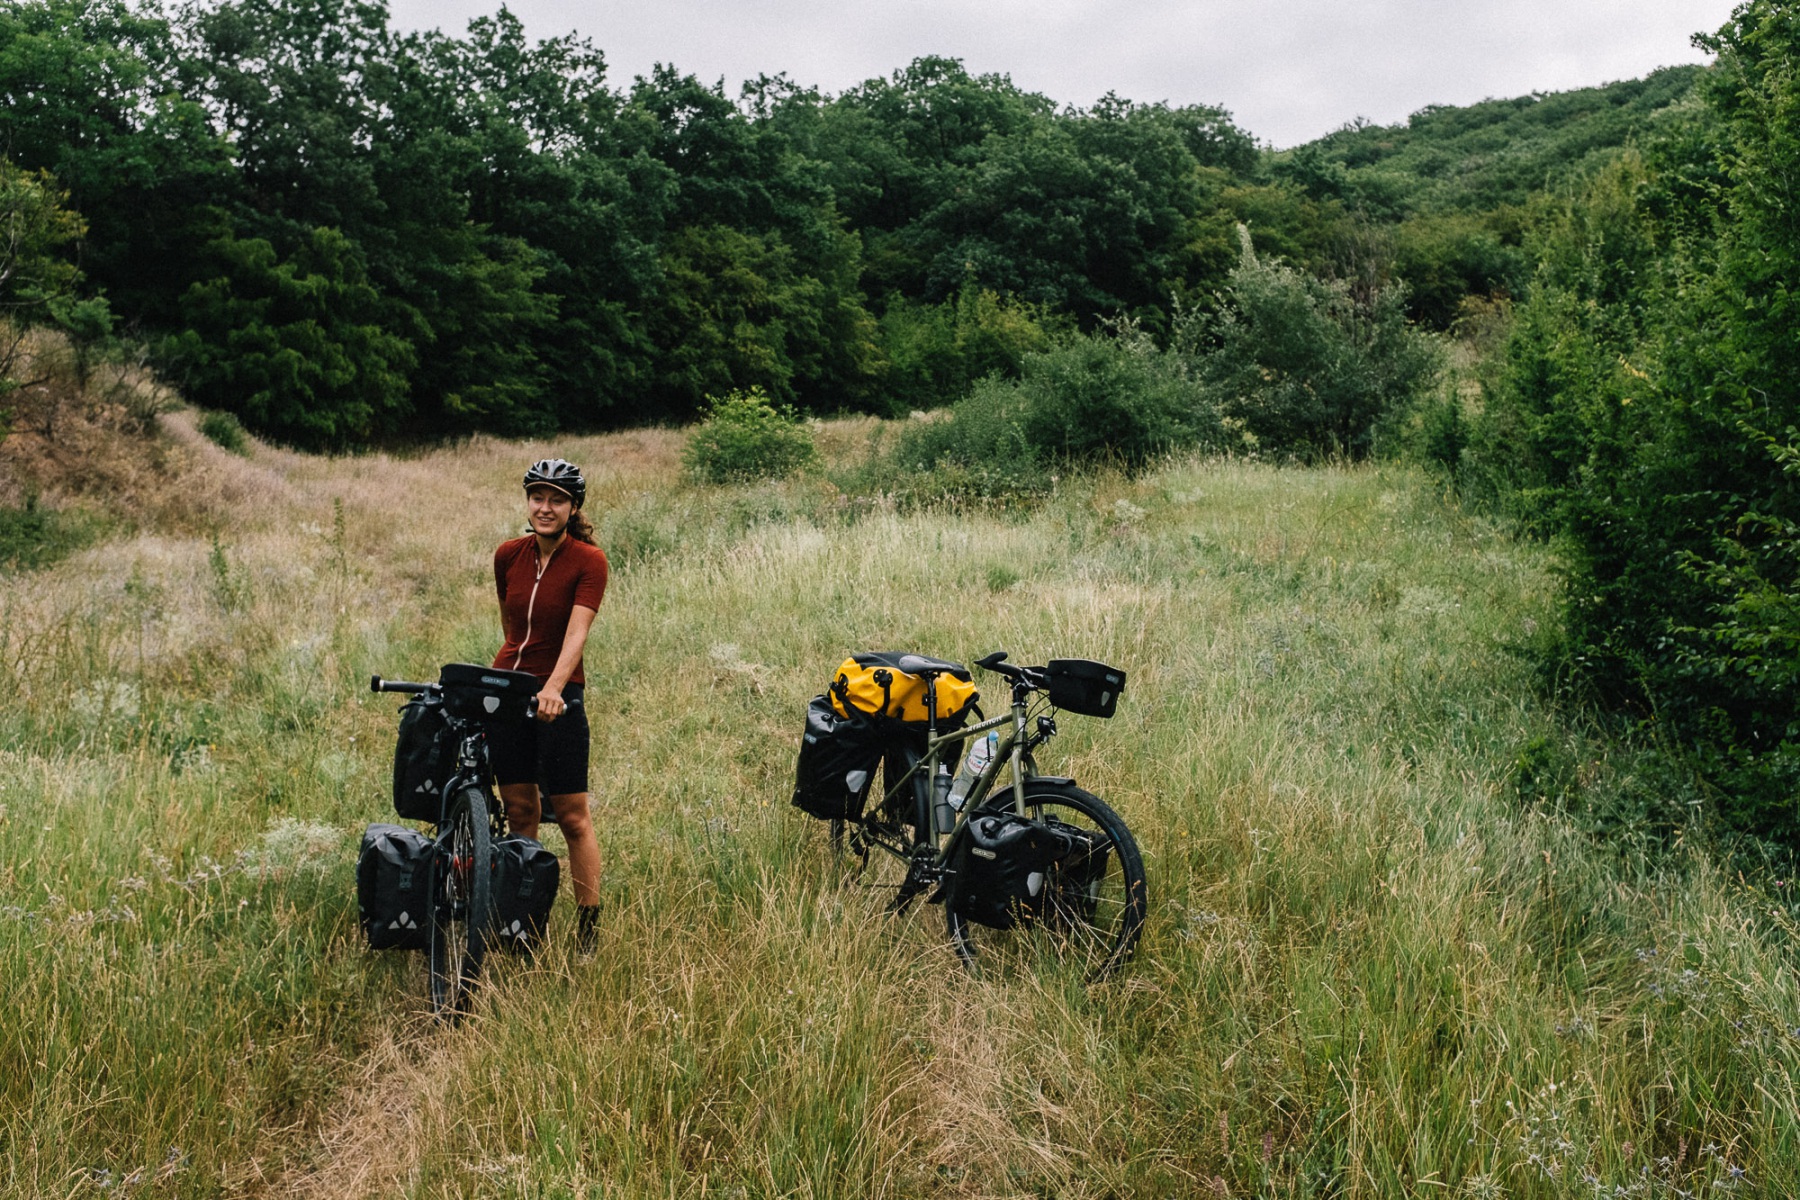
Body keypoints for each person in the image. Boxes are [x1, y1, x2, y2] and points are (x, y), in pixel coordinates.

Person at [489, 458, 609, 954]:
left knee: (573, 815)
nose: (545, 507)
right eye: (538, 497)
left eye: (556, 499)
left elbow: (577, 633)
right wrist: (513, 682)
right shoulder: (507, 555)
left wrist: (554, 688)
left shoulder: (588, 561)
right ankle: (524, 920)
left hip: (559, 694)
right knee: (520, 810)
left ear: (572, 507)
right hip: (509, 688)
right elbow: (511, 627)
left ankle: (587, 929)